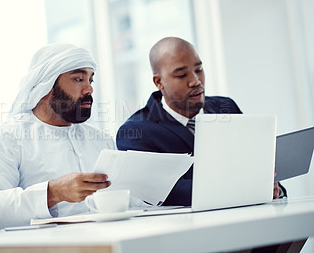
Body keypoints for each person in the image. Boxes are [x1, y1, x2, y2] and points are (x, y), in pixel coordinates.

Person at [116, 37, 286, 206]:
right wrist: (244, 187)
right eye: (182, 75)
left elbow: (256, 165)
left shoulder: (226, 107)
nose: (195, 81)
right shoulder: (136, 132)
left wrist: (272, 188)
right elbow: (164, 190)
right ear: (158, 82)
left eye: (199, 70)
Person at [0, 43, 115, 232]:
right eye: (78, 79)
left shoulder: (102, 140)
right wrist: (52, 193)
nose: (89, 90)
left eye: (91, 80)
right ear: (47, 85)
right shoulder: (4, 139)